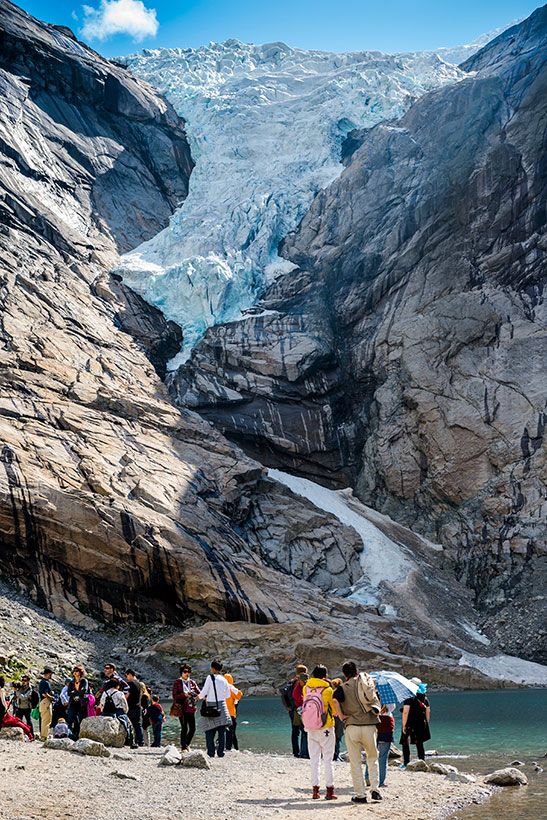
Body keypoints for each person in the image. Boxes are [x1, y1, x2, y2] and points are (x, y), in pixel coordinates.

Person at [333, 660, 382, 804]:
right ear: (356, 670)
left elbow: (335, 701)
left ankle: (360, 795)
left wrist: (341, 716)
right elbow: (376, 701)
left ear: (344, 674)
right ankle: (375, 790)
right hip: (369, 725)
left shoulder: (342, 688)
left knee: (355, 761)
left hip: (352, 726)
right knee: (372, 758)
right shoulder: (366, 683)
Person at [301, 665, 338, 800]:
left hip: (310, 727)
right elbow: (334, 711)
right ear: (325, 676)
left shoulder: (306, 688)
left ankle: (315, 791)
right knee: (328, 759)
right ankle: (329, 791)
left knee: (314, 760)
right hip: (326, 727)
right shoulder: (328, 690)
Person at [198, 660, 237, 758]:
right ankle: (221, 752)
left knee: (209, 730)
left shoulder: (210, 677)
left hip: (211, 706)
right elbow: (227, 695)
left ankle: (211, 752)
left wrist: (198, 697)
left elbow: (204, 692)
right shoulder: (224, 679)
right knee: (222, 730)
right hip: (222, 706)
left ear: (213, 668)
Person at [400, 679, 430, 767]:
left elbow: (405, 712)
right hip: (421, 723)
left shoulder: (408, 697)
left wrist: (404, 725)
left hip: (410, 723)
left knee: (405, 742)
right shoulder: (424, 697)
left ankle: (406, 763)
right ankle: (422, 761)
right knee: (419, 743)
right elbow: (428, 711)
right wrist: (426, 722)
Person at [280, 663, 309, 758]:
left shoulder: (291, 682)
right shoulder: (300, 683)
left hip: (291, 709)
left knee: (295, 731)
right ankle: (304, 752)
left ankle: (296, 752)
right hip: (299, 710)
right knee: (304, 730)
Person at [171, 663, 200, 751]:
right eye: (185, 672)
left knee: (193, 728)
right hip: (182, 708)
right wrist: (184, 695)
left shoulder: (192, 682)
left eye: (189, 672)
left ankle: (186, 744)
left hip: (191, 708)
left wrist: (196, 695)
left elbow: (199, 692)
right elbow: (175, 696)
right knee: (184, 728)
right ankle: (184, 747)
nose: (187, 673)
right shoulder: (177, 682)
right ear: (181, 673)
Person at [366, 703, 395, 787]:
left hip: (373, 726)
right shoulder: (390, 699)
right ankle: (380, 781)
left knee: (371, 754)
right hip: (386, 727)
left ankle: (368, 778)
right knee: (383, 757)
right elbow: (391, 709)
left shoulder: (373, 698)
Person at [66, 665, 89, 740]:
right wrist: (78, 693)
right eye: (74, 671)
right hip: (73, 703)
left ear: (80, 672)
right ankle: (69, 735)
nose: (75, 672)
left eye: (77, 671)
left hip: (81, 703)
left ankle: (79, 735)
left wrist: (75, 693)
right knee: (70, 718)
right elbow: (69, 693)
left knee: (81, 720)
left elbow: (84, 690)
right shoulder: (71, 682)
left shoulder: (84, 681)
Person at [291, 668, 310, 759]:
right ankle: (303, 752)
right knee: (303, 731)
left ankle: (300, 752)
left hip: (300, 711)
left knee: (300, 732)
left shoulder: (297, 685)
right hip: (300, 712)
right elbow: (298, 698)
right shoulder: (298, 688)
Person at [125, 669, 145, 747]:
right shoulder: (139, 684)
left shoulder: (130, 684)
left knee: (128, 724)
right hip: (138, 706)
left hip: (131, 707)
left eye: (126, 675)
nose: (126, 677)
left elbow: (127, 695)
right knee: (137, 725)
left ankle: (130, 740)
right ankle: (141, 741)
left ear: (130, 674)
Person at [224, 672, 243, 751]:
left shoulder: (220, 689)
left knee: (222, 732)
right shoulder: (231, 689)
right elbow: (239, 695)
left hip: (221, 713)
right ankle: (233, 748)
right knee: (231, 732)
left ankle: (222, 747)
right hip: (231, 714)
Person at [38, 667, 54, 741]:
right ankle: (44, 736)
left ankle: (44, 735)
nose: (51, 676)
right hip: (46, 701)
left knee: (46, 719)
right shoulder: (44, 682)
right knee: (46, 720)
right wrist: (51, 698)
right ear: (47, 674)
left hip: (44, 702)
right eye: (51, 674)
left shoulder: (43, 682)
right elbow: (44, 693)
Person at [331, 677, 345, 761]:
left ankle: (333, 754)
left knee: (332, 737)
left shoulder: (331, 693)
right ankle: (336, 754)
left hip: (332, 717)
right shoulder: (341, 694)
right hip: (339, 717)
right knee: (338, 736)